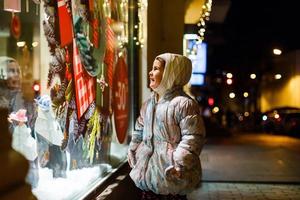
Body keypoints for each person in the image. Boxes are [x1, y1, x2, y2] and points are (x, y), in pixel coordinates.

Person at [128, 53, 206, 199]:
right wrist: (133, 149)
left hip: (171, 174)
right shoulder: (149, 104)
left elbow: (193, 138)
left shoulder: (183, 104)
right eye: (152, 68)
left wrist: (179, 163)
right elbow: (139, 129)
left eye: (156, 69)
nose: (151, 72)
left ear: (172, 73)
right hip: (147, 172)